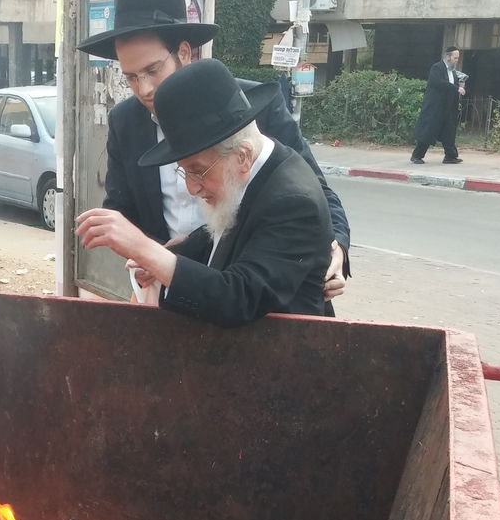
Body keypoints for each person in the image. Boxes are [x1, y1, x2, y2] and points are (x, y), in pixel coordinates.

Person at [77, 0, 349, 312]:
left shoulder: (245, 110)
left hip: (255, 302)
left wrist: (330, 248)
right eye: (131, 77)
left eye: (152, 70)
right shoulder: (125, 122)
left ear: (184, 53)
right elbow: (131, 213)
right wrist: (162, 256)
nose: (145, 89)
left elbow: (310, 196)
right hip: (175, 290)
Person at [75, 59, 331, 327]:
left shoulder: (293, 201)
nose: (192, 188)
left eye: (198, 171)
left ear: (242, 156)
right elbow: (224, 235)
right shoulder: (257, 168)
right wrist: (169, 256)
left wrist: (146, 249)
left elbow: (240, 296)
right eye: (184, 172)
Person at [412, 47, 465, 165]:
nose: (457, 60)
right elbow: (439, 83)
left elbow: (453, 87)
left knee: (449, 131)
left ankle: (450, 156)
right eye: (455, 58)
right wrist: (457, 88)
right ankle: (417, 156)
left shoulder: (453, 72)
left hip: (449, 107)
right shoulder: (437, 68)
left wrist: (460, 86)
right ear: (448, 57)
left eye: (457, 58)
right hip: (435, 107)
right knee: (428, 131)